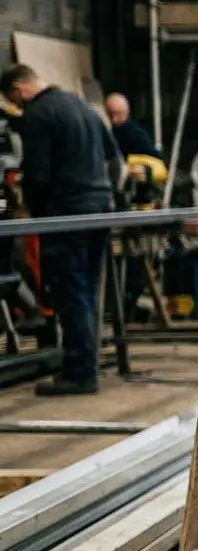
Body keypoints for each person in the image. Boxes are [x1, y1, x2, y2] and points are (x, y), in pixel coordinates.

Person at [0, 64, 118, 395]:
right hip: (99, 208)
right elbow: (114, 158)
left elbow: (38, 174)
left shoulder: (38, 114)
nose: (18, 107)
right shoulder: (82, 105)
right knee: (87, 288)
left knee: (71, 290)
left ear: (18, 89)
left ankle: (80, 374)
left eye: (14, 101)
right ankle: (86, 364)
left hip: (68, 212)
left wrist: (33, 213)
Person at [103, 92, 161, 159]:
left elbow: (154, 160)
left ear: (126, 112)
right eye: (110, 114)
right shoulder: (106, 134)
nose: (114, 119)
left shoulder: (137, 135)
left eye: (118, 114)